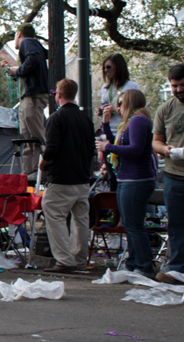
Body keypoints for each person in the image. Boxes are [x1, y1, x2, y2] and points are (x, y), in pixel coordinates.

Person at [96, 89, 156, 277]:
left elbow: (135, 150)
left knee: (134, 225)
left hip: (136, 179)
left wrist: (108, 147)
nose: (118, 108)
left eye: (120, 103)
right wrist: (105, 125)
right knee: (130, 224)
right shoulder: (128, 123)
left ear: (129, 102)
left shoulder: (138, 120)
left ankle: (144, 265)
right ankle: (133, 263)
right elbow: (118, 146)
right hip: (127, 178)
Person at [40, 79, 95, 273]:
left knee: (53, 212)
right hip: (82, 177)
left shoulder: (56, 118)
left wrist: (43, 163)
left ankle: (64, 259)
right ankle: (79, 258)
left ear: (59, 95)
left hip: (62, 177)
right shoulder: (85, 119)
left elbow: (52, 147)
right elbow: (91, 149)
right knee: (80, 219)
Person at [1, 24, 50, 182]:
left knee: (37, 134)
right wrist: (13, 70)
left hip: (33, 96)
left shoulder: (27, 43)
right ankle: (29, 172)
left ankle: (49, 167)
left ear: (19, 34)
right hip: (27, 96)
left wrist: (17, 70)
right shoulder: (34, 45)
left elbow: (33, 59)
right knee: (28, 136)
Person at [153, 64, 184, 285]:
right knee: (176, 224)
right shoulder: (165, 109)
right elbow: (156, 141)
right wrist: (165, 150)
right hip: (174, 175)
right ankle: (177, 269)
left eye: (183, 85)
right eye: (174, 86)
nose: (179, 89)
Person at [98, 54, 141, 191]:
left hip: (124, 132)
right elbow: (104, 104)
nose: (106, 70)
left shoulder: (131, 86)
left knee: (124, 173)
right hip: (108, 131)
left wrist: (117, 110)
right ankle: (115, 209)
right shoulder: (105, 88)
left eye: (109, 66)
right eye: (104, 67)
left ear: (119, 67)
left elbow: (137, 108)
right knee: (111, 175)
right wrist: (102, 111)